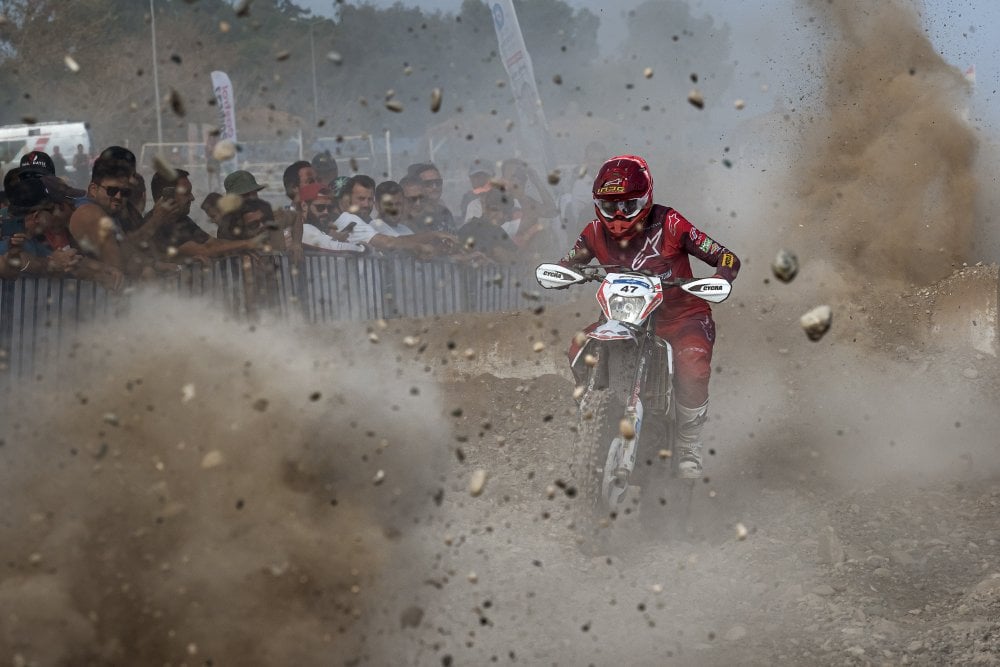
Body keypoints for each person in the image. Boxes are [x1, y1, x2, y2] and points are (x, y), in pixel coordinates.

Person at [557, 154, 741, 479]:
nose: (617, 215)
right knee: (577, 347)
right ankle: (592, 422)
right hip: (621, 319)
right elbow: (569, 261)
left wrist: (721, 276)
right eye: (609, 206)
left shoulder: (670, 223)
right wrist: (562, 271)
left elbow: (724, 255)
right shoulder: (593, 232)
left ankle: (688, 444)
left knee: (693, 367)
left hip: (681, 317)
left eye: (627, 206)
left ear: (645, 199)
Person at [456, 186, 519, 264]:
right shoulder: (467, 230)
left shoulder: (499, 232)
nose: (501, 216)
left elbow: (517, 259)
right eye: (495, 210)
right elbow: (452, 257)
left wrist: (499, 255)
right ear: (485, 208)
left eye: (505, 212)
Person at [297, 182, 364, 254]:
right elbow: (336, 248)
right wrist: (363, 248)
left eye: (329, 208)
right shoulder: (302, 228)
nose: (326, 212)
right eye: (320, 207)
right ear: (304, 206)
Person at [407, 162, 455, 233]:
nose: (434, 187)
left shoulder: (446, 213)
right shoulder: (413, 218)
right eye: (428, 184)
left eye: (438, 182)